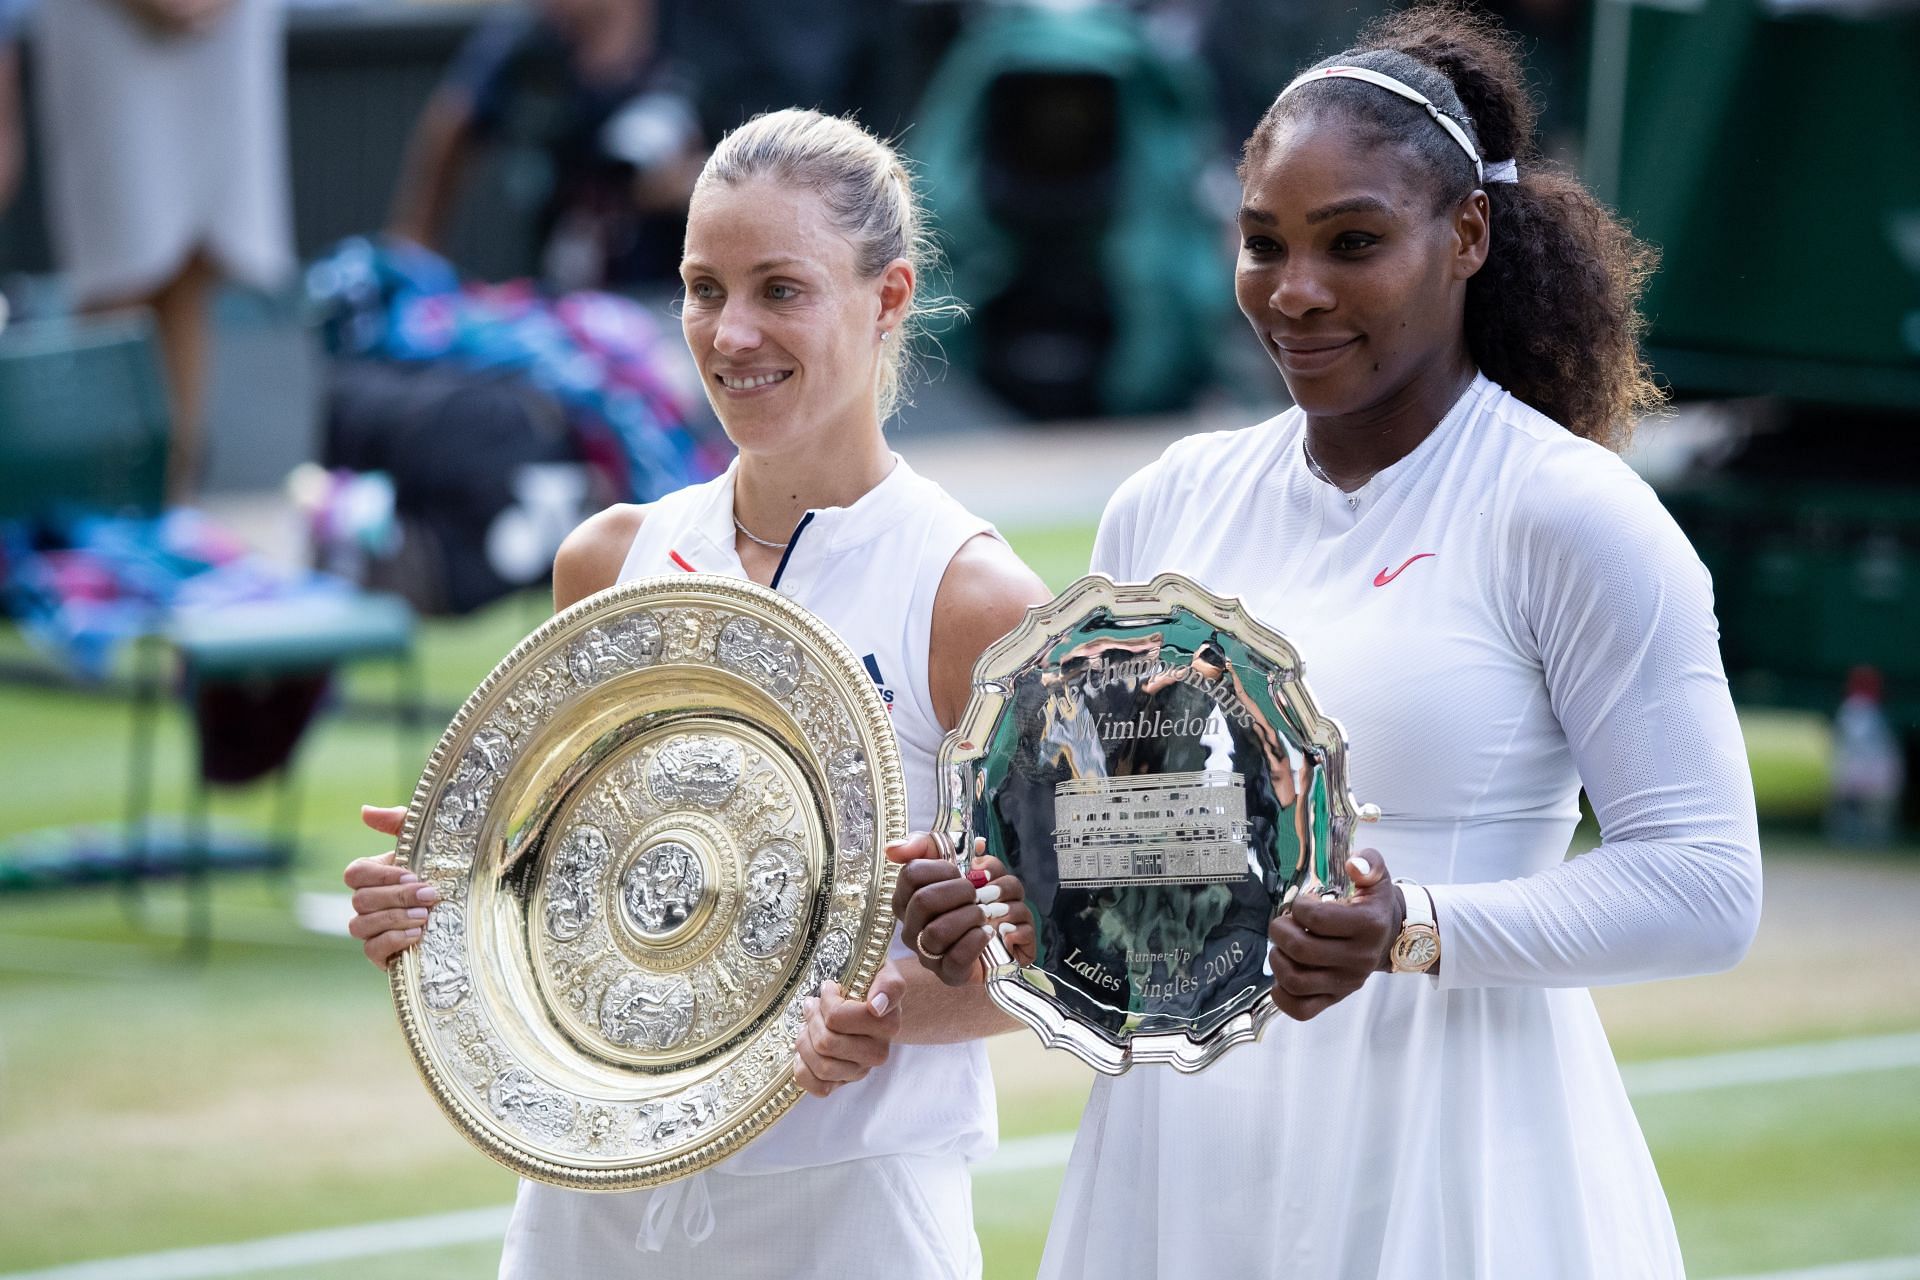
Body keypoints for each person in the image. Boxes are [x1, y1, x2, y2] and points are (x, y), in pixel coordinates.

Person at [895, 7, 1764, 1277]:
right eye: (1263, 244)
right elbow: (1125, 856)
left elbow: (1706, 887)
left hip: (1456, 1163)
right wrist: (998, 896)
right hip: (1180, 1166)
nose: (1295, 292)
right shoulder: (1169, 502)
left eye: (1352, 242)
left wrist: (1414, 923)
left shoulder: (1570, 513)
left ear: (1466, 235)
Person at [346, 108, 1051, 1278]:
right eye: (701, 286)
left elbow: (1051, 949)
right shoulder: (606, 562)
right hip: (590, 1197)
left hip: (856, 1209)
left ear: (888, 297)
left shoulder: (969, 595)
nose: (731, 333)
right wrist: (435, 913)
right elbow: (553, 885)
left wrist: (884, 1009)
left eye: (782, 289)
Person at [32, 0, 294, 502]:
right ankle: (107, 507)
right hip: (103, 19)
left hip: (227, 24)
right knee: (118, 259)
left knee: (196, 257)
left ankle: (175, 499)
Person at [386, 0, 704, 292]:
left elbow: (749, 135)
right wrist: (415, 248)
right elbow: (454, 119)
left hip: (681, 278)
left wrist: (699, 183)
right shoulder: (527, 36)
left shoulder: (701, 25)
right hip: (566, 280)